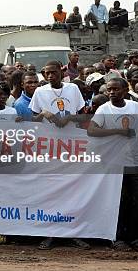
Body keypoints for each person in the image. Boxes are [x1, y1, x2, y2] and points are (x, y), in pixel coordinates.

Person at [88, 78, 138, 251]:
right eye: (109, 90)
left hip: (135, 161)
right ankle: (118, 238)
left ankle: (134, 237)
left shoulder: (134, 107)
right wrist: (118, 131)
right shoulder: (104, 109)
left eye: (116, 89)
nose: (111, 92)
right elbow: (92, 130)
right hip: (113, 163)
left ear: (126, 90)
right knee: (119, 202)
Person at [29, 61, 89, 251]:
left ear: (61, 73)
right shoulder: (40, 92)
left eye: (53, 73)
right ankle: (50, 233)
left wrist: (69, 118)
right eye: (46, 73)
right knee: (51, 190)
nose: (49, 76)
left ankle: (71, 233)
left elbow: (82, 115)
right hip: (50, 147)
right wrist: (46, 113)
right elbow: (33, 119)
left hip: (71, 145)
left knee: (72, 189)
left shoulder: (72, 89)